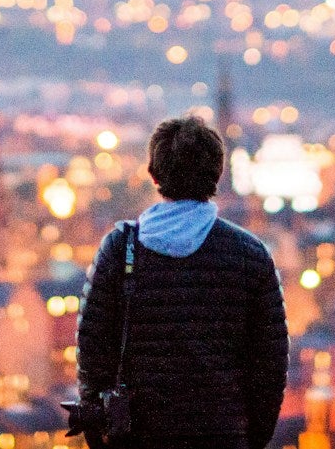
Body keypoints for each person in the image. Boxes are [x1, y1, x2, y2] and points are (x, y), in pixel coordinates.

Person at [75, 115, 289, 449]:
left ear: (154, 174)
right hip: (222, 437)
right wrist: (250, 438)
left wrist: (101, 431)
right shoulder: (250, 254)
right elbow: (269, 366)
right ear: (216, 173)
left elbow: (92, 350)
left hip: (139, 437)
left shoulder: (120, 250)